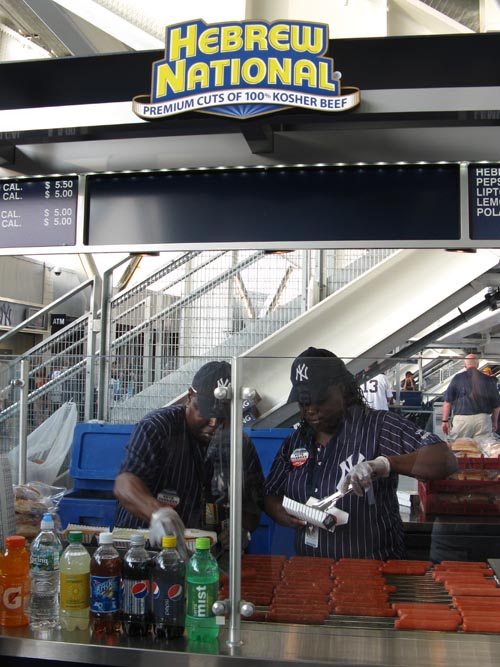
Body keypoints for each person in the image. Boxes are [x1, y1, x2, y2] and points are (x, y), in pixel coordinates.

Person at [264, 348, 457, 560]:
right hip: (312, 574)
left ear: (342, 390)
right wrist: (283, 514)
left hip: (374, 570)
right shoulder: (295, 441)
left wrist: (384, 464)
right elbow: (270, 493)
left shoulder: (379, 426)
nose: (311, 409)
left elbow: (444, 460)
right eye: (304, 402)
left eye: (320, 399)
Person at [113, 360, 265, 560]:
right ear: (190, 396)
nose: (213, 423)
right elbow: (125, 483)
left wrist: (242, 529)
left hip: (207, 559)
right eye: (205, 412)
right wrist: (157, 514)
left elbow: (254, 503)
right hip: (145, 553)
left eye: (223, 416)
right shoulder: (158, 428)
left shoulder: (240, 444)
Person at [441, 353, 500, 440]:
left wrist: (445, 421)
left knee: (457, 448)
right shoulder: (488, 380)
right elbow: (496, 405)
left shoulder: (457, 378)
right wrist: (494, 422)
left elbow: (447, 402)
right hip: (483, 420)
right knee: (484, 448)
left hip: (462, 420)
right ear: (477, 364)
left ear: (465, 365)